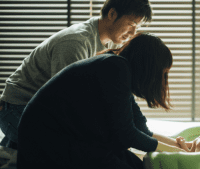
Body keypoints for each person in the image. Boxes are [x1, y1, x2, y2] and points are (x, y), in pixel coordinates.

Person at [0, 0, 152, 150]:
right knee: (74, 147)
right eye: (131, 24)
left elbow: (115, 95)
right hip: (17, 107)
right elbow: (66, 102)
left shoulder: (113, 43)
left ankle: (14, 146)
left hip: (45, 109)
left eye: (138, 26)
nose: (134, 32)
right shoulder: (75, 42)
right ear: (112, 14)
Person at [17, 33, 185, 169]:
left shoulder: (118, 67)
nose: (162, 80)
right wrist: (179, 153)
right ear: (148, 68)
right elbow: (126, 135)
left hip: (67, 138)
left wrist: (179, 146)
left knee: (136, 164)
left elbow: (140, 127)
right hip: (48, 142)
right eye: (162, 73)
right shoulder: (116, 68)